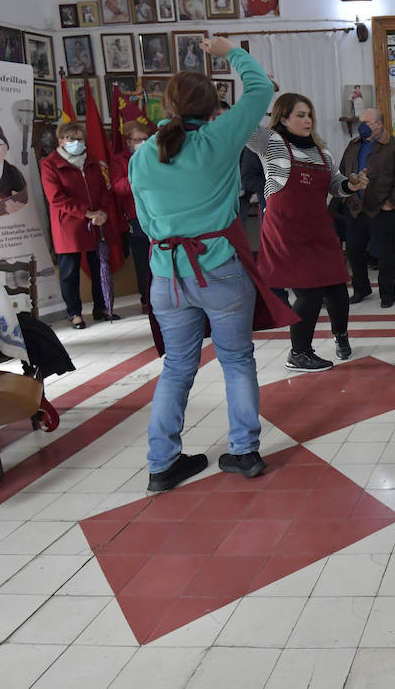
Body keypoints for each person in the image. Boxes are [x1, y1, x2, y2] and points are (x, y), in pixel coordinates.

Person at [127, 37, 293, 493]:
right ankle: (244, 452)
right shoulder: (219, 138)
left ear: (168, 105)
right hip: (218, 267)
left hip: (166, 274)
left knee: (177, 367)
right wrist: (228, 51)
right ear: (211, 106)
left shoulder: (142, 154)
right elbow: (260, 90)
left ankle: (162, 464)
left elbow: (143, 220)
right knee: (237, 361)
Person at [248, 93, 367, 371]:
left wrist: (352, 185)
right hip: (286, 231)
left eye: (309, 115)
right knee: (310, 292)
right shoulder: (271, 143)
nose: (307, 120)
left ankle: (341, 337)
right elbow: (242, 124)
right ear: (283, 118)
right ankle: (299, 353)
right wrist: (261, 90)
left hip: (318, 228)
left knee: (337, 287)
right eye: (300, 115)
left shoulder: (322, 152)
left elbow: (335, 186)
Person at [40, 122, 120, 329]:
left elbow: (105, 189)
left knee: (99, 266)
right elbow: (56, 198)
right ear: (60, 141)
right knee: (69, 272)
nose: (76, 142)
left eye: (79, 138)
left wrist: (101, 211)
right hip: (69, 225)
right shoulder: (50, 164)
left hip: (96, 222)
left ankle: (102, 308)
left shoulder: (91, 160)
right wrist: (86, 212)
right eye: (70, 138)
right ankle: (74, 313)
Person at [340, 107, 395, 307]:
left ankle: (387, 293)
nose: (361, 126)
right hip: (355, 208)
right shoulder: (353, 145)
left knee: (385, 254)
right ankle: (361, 289)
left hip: (381, 209)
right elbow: (342, 171)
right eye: (360, 122)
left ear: (379, 124)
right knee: (354, 251)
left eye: (367, 122)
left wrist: (392, 203)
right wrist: (346, 197)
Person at [110, 122, 153, 309]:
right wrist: (138, 174)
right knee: (143, 261)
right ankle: (146, 299)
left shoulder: (156, 155)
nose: (143, 142)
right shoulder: (120, 160)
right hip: (136, 218)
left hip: (159, 215)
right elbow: (118, 187)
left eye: (146, 139)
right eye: (138, 139)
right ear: (128, 141)